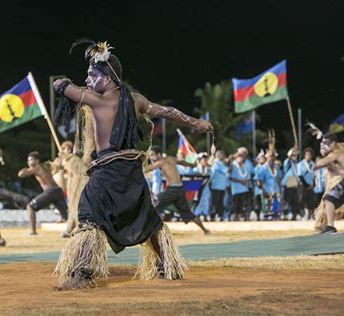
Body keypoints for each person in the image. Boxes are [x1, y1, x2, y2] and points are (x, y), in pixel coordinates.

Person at [52, 39, 212, 290]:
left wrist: (63, 83)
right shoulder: (136, 100)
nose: (89, 78)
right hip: (131, 174)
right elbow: (166, 111)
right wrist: (195, 123)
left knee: (89, 217)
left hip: (106, 174)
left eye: (92, 74)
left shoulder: (95, 100)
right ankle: (166, 265)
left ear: (108, 77)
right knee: (147, 220)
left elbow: (60, 85)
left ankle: (81, 273)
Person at [146, 146, 211, 233]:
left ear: (159, 154)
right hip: (180, 189)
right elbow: (183, 162)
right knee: (189, 213)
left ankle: (151, 230)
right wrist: (193, 165)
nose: (151, 157)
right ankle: (206, 231)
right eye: (150, 155)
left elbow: (146, 169)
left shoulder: (160, 162)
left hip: (173, 190)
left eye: (152, 155)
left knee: (153, 204)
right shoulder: (170, 159)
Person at [18, 151, 68, 235]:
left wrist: (26, 168)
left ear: (37, 161)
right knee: (67, 215)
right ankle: (74, 229)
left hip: (50, 192)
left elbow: (21, 174)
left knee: (30, 207)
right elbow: (58, 167)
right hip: (58, 191)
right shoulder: (46, 165)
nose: (28, 162)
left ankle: (33, 231)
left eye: (30, 160)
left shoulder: (36, 167)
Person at [314, 133, 344, 233]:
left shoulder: (335, 153)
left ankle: (330, 226)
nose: (325, 146)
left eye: (327, 143)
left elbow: (320, 163)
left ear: (333, 143)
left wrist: (322, 157)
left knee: (329, 198)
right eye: (323, 143)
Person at [257, 150, 282, 220]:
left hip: (276, 191)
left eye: (273, 156)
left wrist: (280, 189)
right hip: (267, 192)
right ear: (267, 157)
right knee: (268, 211)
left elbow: (279, 179)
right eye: (270, 156)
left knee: (277, 211)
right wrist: (263, 190)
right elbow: (259, 181)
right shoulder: (263, 168)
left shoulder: (276, 167)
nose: (272, 158)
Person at [229, 151, 251, 221]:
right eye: (239, 157)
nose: (241, 158)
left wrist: (247, 182)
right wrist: (241, 181)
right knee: (235, 204)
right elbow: (231, 177)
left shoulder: (245, 166)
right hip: (236, 189)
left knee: (243, 204)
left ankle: (242, 216)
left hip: (244, 189)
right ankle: (235, 217)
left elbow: (248, 176)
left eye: (242, 157)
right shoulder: (233, 165)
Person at [281, 147, 300, 220]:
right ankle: (285, 214)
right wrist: (290, 153)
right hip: (288, 180)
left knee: (294, 199)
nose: (295, 157)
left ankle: (294, 214)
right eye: (293, 155)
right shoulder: (287, 162)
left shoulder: (296, 164)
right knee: (287, 199)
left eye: (295, 155)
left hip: (294, 181)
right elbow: (288, 161)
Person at [209, 150, 228, 221]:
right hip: (216, 186)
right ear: (218, 155)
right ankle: (213, 215)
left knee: (220, 202)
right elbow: (227, 170)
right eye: (223, 155)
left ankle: (220, 215)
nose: (224, 156)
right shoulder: (216, 162)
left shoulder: (220, 163)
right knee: (216, 202)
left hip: (221, 187)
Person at [297, 148, 315, 219]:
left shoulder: (313, 164)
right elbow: (300, 175)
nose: (308, 156)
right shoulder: (300, 164)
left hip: (311, 185)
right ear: (304, 155)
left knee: (311, 200)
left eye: (310, 155)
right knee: (302, 199)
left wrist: (312, 185)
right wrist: (306, 185)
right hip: (303, 185)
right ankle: (302, 214)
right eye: (307, 154)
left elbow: (314, 176)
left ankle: (310, 215)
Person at [252, 151, 266, 220]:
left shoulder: (266, 167)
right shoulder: (257, 168)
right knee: (258, 203)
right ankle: (258, 216)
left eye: (264, 157)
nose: (263, 159)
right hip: (259, 189)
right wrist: (261, 187)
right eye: (261, 158)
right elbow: (257, 180)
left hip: (266, 188)